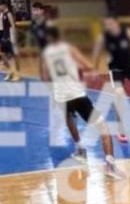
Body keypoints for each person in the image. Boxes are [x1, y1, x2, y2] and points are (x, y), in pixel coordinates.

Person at [41, 25, 123, 179]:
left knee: (69, 118)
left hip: (60, 96)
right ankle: (110, 166)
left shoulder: (46, 55)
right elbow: (88, 66)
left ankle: (80, 149)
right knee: (104, 129)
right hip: (77, 94)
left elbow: (45, 78)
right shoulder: (69, 49)